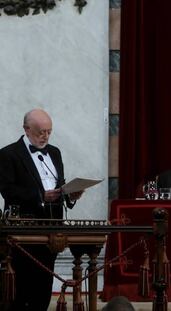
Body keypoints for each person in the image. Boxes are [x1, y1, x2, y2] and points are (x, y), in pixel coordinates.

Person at [0, 108, 83, 311]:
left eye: (49, 131)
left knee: (43, 289)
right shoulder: (8, 154)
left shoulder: (54, 152)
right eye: (40, 132)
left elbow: (59, 185)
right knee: (22, 291)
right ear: (26, 129)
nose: (45, 136)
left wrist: (70, 195)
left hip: (52, 230)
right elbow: (8, 190)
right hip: (24, 232)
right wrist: (40, 196)